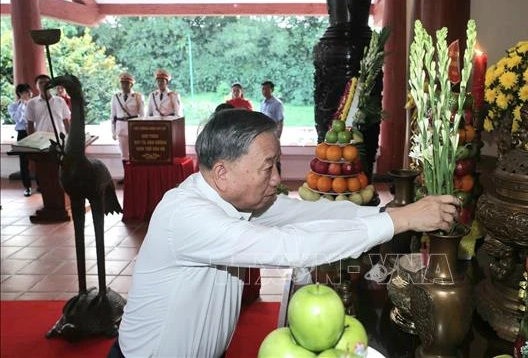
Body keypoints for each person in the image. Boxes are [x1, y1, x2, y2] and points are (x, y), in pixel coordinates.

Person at [114, 109, 459, 357]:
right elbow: (292, 247)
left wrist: (388, 212)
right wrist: (401, 222)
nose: (278, 179)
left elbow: (308, 213)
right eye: (268, 168)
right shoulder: (186, 216)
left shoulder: (237, 202)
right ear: (222, 173)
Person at [111, 73, 144, 163]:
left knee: (134, 152)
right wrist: (113, 131)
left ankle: (134, 174)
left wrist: (141, 130)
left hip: (133, 127)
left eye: (126, 83)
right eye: (122, 83)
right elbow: (113, 115)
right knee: (124, 155)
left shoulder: (137, 97)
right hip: (120, 126)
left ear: (131, 84)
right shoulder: (116, 97)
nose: (124, 86)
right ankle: (126, 174)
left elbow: (142, 115)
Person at [26, 74, 71, 138]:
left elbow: (66, 121)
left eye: (47, 82)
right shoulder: (32, 103)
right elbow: (30, 124)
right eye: (41, 83)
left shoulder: (60, 101)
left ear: (51, 85)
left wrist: (69, 137)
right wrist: (31, 139)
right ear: (36, 86)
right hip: (41, 138)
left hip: (59, 137)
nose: (44, 84)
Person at [8, 83, 33, 196]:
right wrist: (22, 105)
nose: (29, 94)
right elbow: (18, 119)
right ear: (20, 93)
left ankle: (42, 185)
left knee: (42, 158)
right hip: (22, 133)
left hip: (35, 132)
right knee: (24, 161)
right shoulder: (13, 106)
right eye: (26, 92)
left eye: (30, 91)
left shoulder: (35, 103)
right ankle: (27, 187)